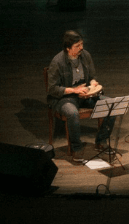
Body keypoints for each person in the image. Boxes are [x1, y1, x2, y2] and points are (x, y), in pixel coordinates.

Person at [47, 30, 114, 161]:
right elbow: (52, 89)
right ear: (68, 48)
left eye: (82, 44)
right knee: (72, 113)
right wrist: (74, 90)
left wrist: (93, 83)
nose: (81, 48)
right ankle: (76, 148)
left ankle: (101, 141)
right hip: (65, 98)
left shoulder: (85, 55)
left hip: (85, 95)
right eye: (77, 46)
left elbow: (93, 76)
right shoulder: (57, 62)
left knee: (110, 104)